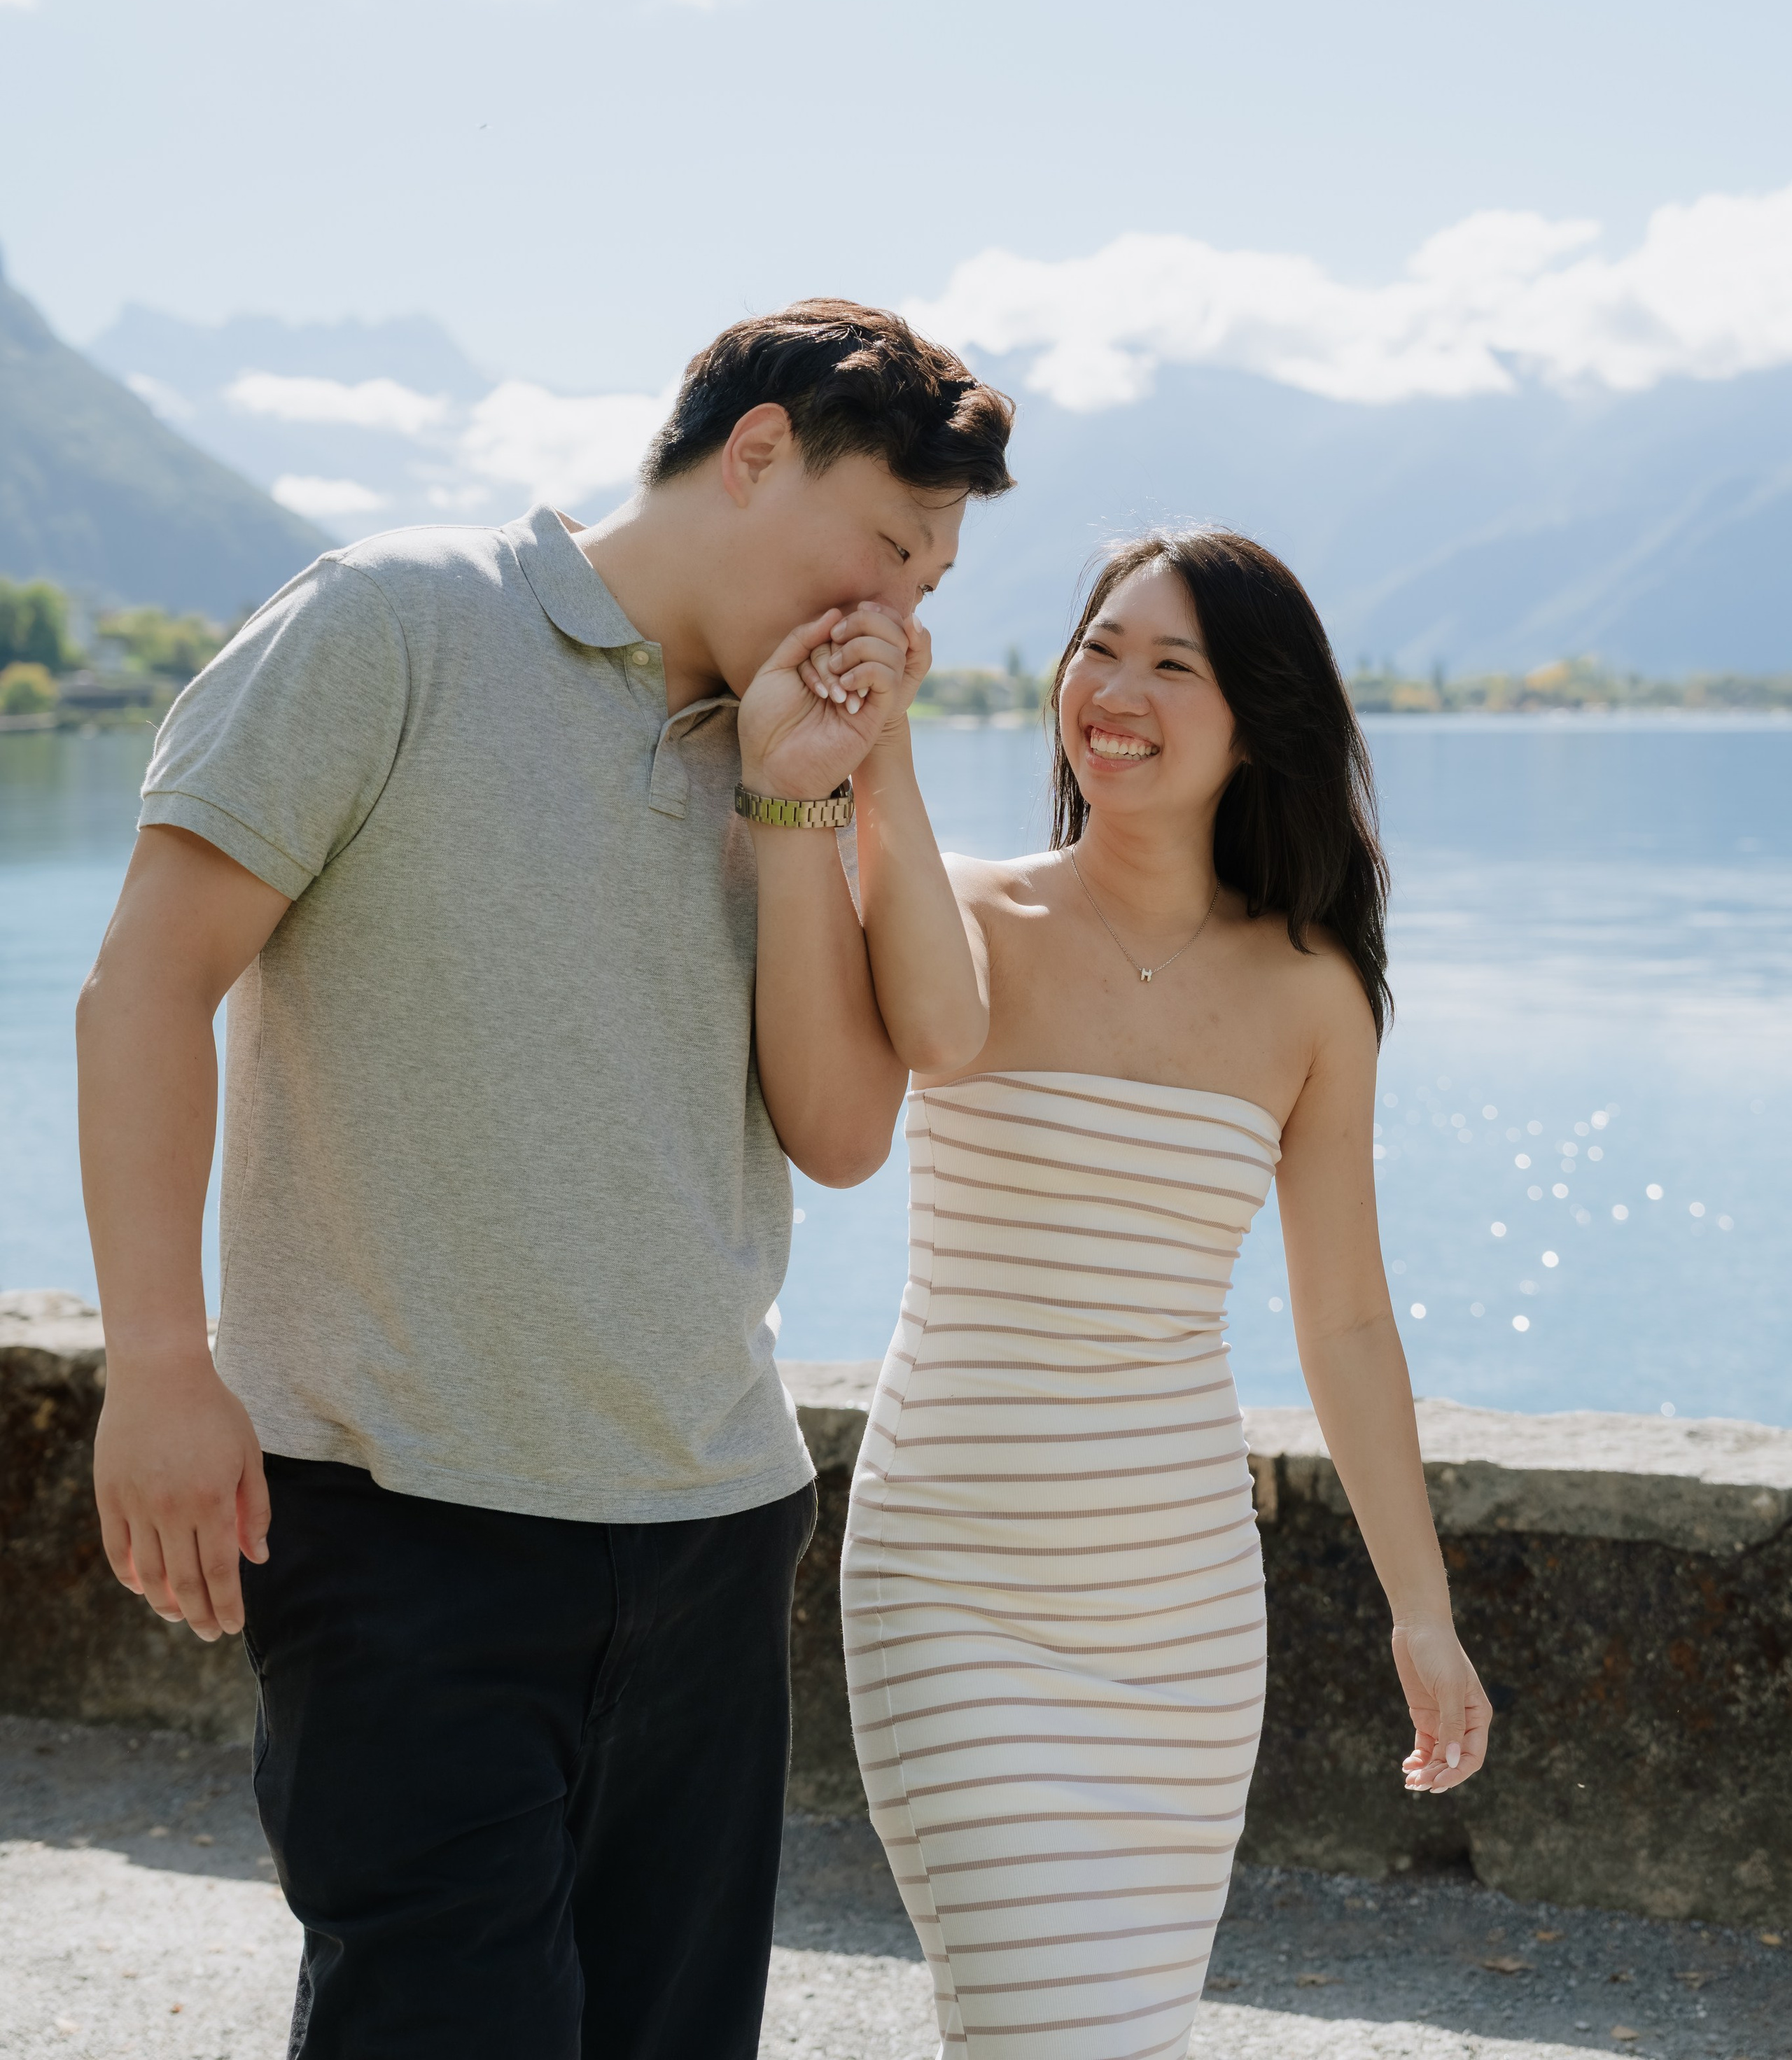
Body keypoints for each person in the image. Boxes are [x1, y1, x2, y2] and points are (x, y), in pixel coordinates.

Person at [75, 300, 1014, 2060]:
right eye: (885, 546)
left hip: (713, 1525)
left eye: (929, 586)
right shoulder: (398, 621)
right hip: (405, 1522)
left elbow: (840, 1127)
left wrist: (817, 792)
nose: (892, 613)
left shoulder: (779, 747)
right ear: (755, 451)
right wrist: (156, 1358)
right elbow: (143, 984)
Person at [836, 526, 1494, 2060]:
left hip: (1176, 1627)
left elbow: (1341, 1320)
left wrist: (1423, 1609)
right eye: (1097, 647)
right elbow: (929, 1032)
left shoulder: (1310, 990)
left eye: (1169, 664)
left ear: (1255, 718)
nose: (1113, 690)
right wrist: (883, 761)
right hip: (957, 1589)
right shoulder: (961, 902)